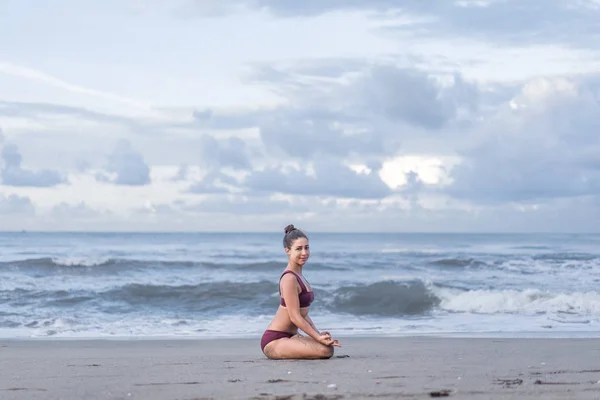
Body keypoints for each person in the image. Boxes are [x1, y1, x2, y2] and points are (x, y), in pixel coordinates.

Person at [260, 224, 341, 360]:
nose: (304, 253)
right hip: (274, 340)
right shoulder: (289, 278)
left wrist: (319, 334)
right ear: (288, 251)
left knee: (327, 347)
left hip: (291, 336)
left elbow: (304, 314)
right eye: (299, 249)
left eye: (306, 247)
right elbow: (295, 316)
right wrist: (317, 338)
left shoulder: (300, 277)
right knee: (325, 351)